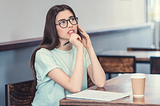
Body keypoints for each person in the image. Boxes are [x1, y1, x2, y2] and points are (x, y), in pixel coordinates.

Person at [30, 4, 106, 106]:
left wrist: (89, 48)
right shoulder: (43, 54)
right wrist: (79, 48)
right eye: (62, 22)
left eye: (72, 19)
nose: (70, 25)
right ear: (53, 27)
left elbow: (100, 82)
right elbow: (74, 87)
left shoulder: (81, 50)